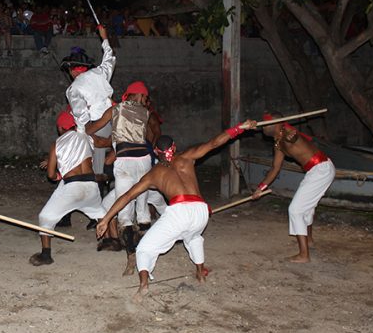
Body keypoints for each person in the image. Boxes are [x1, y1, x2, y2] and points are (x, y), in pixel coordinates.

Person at [97, 120, 255, 301]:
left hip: (180, 212)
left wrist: (106, 219)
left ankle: (143, 287)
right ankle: (200, 273)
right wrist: (239, 128)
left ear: (156, 152)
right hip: (201, 211)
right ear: (175, 147)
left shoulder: (154, 173)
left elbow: (127, 196)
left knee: (144, 249)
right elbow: (215, 143)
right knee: (194, 236)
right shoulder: (187, 157)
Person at [251, 112, 336, 263]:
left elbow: (294, 136)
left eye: (265, 124)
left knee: (295, 210)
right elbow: (275, 168)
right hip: (318, 170)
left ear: (277, 124)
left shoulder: (288, 133)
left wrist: (293, 137)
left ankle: (304, 255)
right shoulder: (278, 143)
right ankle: (308, 240)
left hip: (321, 169)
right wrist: (260, 188)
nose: (263, 127)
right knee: (306, 208)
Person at [87, 81, 152, 264]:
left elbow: (93, 128)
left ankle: (131, 253)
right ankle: (145, 249)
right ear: (139, 96)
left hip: (125, 161)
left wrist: (81, 129)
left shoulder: (115, 110)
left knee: (124, 209)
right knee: (142, 205)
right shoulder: (146, 113)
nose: (145, 101)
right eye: (145, 97)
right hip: (144, 160)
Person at [30, 110, 106, 266]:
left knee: (45, 217)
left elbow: (51, 175)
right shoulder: (87, 136)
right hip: (91, 185)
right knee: (102, 214)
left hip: (72, 187)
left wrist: (58, 176)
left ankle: (45, 255)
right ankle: (114, 240)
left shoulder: (58, 143)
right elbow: (104, 142)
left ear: (60, 128)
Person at [62, 24, 116, 176]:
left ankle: (97, 186)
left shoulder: (73, 89)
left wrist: (84, 134)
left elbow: (81, 115)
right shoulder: (99, 72)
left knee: (96, 163)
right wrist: (104, 37)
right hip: (116, 118)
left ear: (72, 69)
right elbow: (110, 58)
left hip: (99, 124)